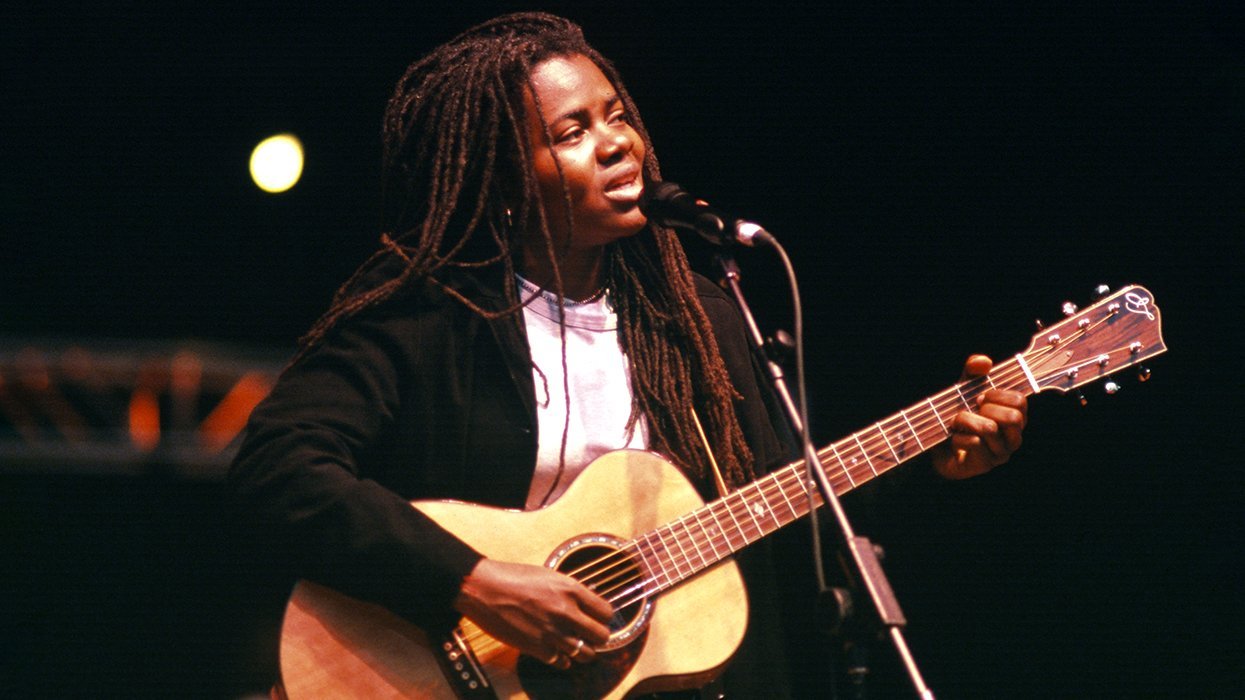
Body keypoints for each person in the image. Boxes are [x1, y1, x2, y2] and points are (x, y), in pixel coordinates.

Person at [227, 12, 1028, 698]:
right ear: (505, 176)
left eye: (616, 116)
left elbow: (796, 507)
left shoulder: (699, 319)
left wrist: (941, 460)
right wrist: (469, 581)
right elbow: (279, 469)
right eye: (572, 133)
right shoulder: (431, 309)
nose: (618, 146)